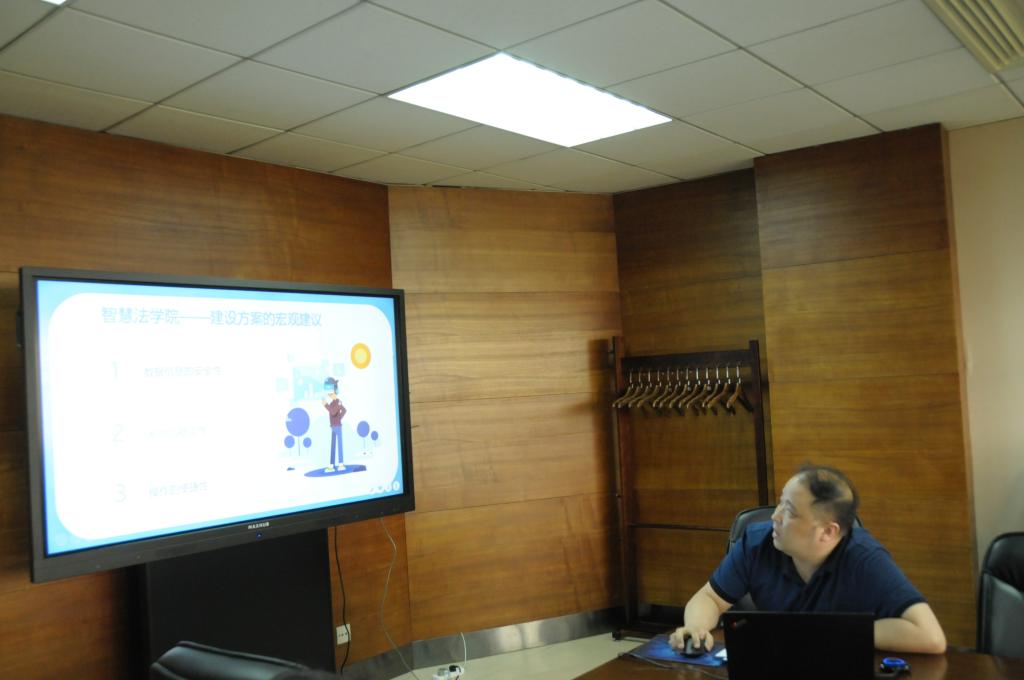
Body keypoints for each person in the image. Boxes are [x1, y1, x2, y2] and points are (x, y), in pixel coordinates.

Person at [669, 464, 946, 655]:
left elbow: (931, 637)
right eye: (780, 502)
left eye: (789, 511)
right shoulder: (756, 543)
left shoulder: (864, 558)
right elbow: (710, 598)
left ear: (828, 531)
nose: (775, 516)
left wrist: (832, 633)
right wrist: (696, 627)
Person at [322, 377, 347, 472]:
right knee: (333, 446)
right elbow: (343, 411)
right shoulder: (333, 402)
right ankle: (331, 465)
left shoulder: (338, 402)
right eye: (329, 394)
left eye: (331, 393)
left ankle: (341, 464)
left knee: (339, 445)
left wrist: (325, 405)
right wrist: (338, 419)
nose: (330, 395)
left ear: (335, 391)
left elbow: (333, 412)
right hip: (333, 426)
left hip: (337, 427)